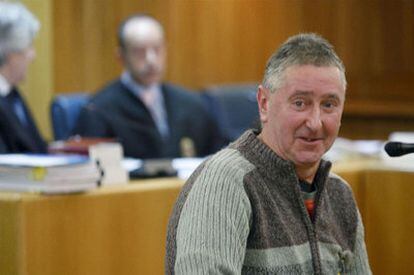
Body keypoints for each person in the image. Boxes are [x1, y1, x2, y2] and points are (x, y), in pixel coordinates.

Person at [166, 33, 371, 274]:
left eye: (328, 105)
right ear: (264, 104)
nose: (316, 123)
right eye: (300, 103)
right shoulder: (226, 182)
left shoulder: (339, 195)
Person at [73, 14, 224, 159]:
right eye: (140, 52)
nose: (151, 60)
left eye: (157, 49)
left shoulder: (191, 104)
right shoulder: (98, 110)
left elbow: (221, 153)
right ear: (121, 57)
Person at [0, 2, 47, 154]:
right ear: (11, 53)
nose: (32, 56)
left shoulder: (12, 94)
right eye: (28, 47)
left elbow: (37, 148)